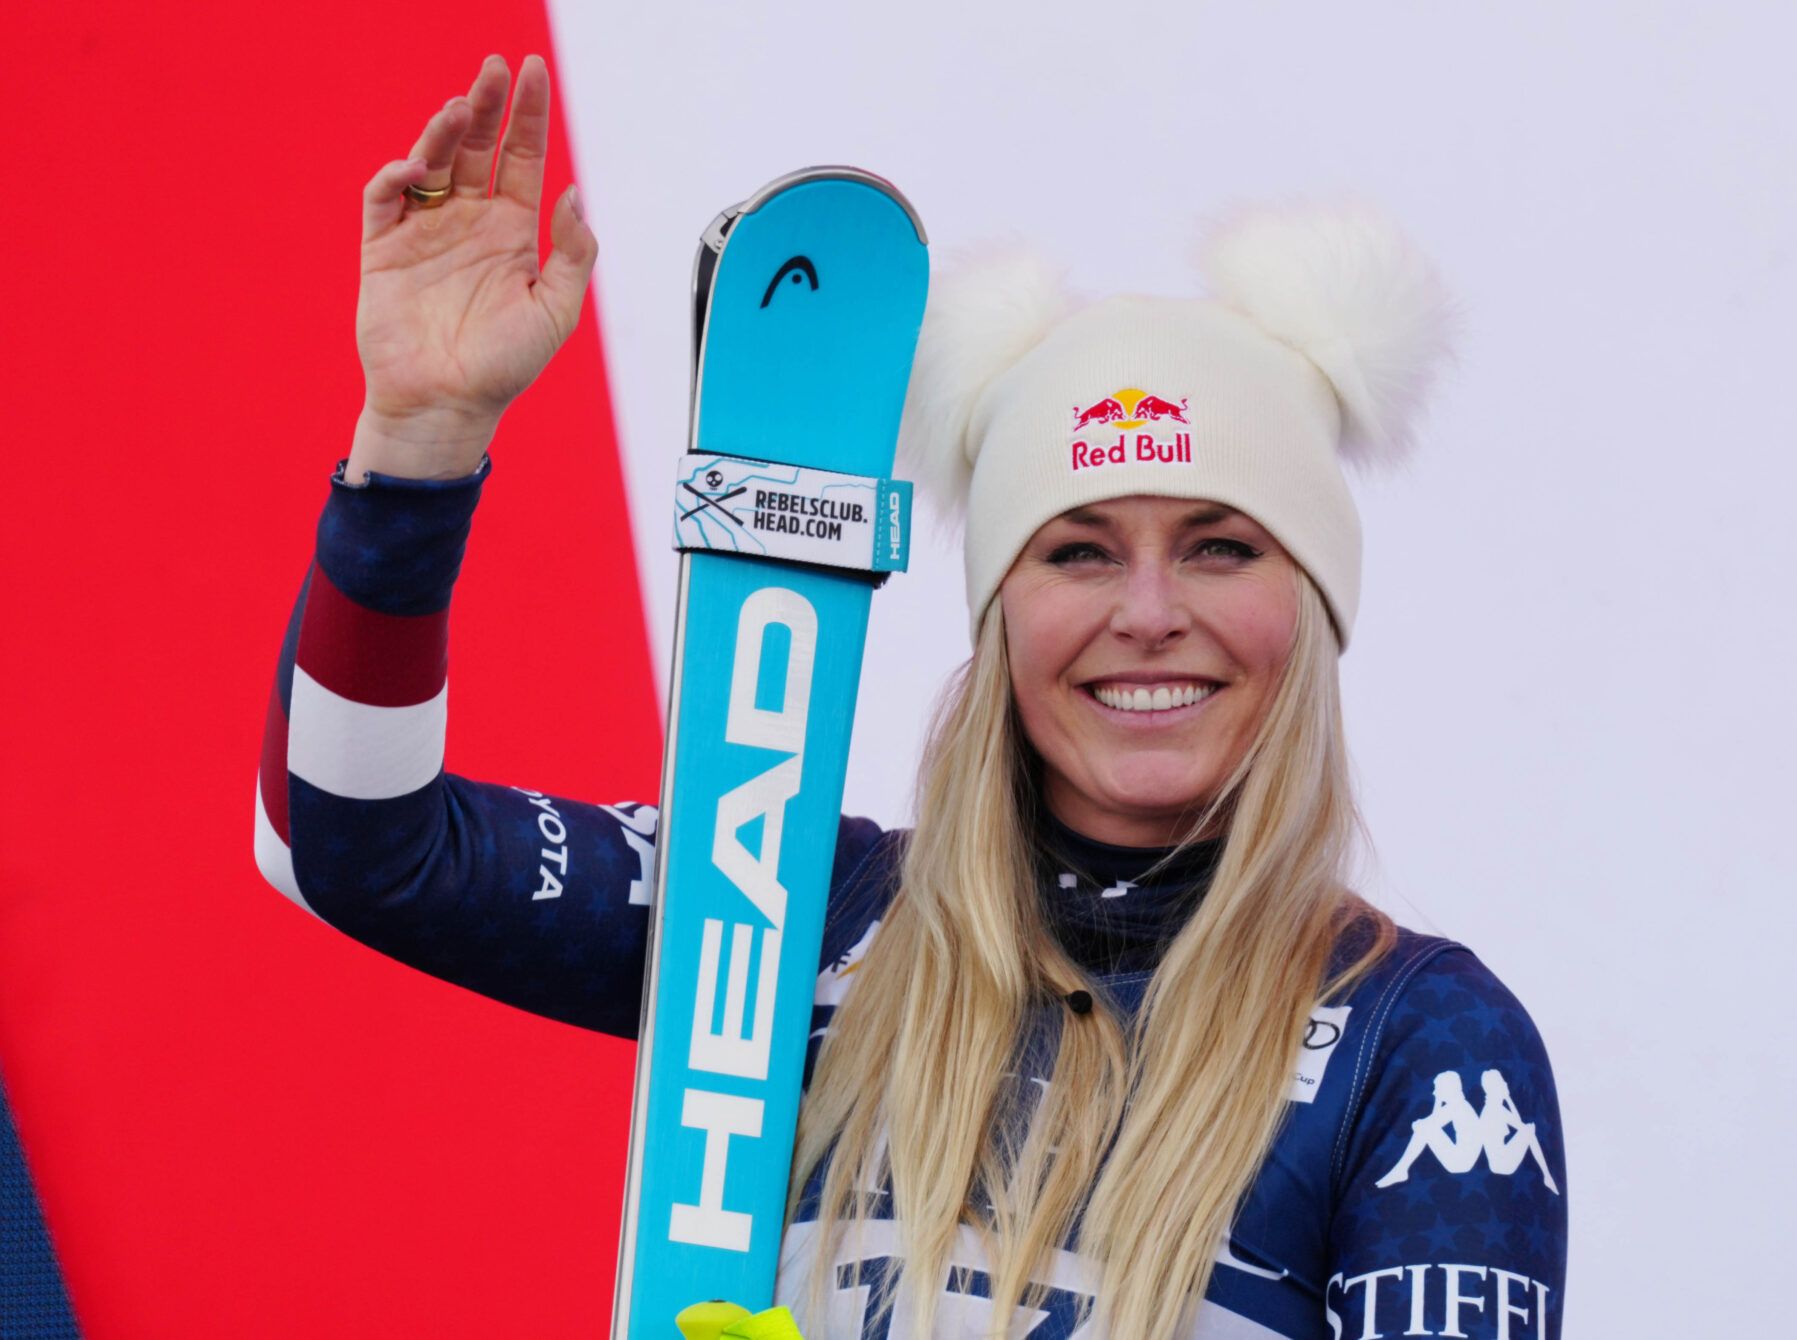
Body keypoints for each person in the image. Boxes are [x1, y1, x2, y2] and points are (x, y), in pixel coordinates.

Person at [253, 51, 1568, 1340]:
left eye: (1222, 545)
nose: (1150, 610)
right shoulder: (784, 908)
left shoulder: (1425, 1051)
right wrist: (420, 442)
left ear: (1313, 607)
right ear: (1001, 619)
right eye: (1077, 549)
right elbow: (354, 842)